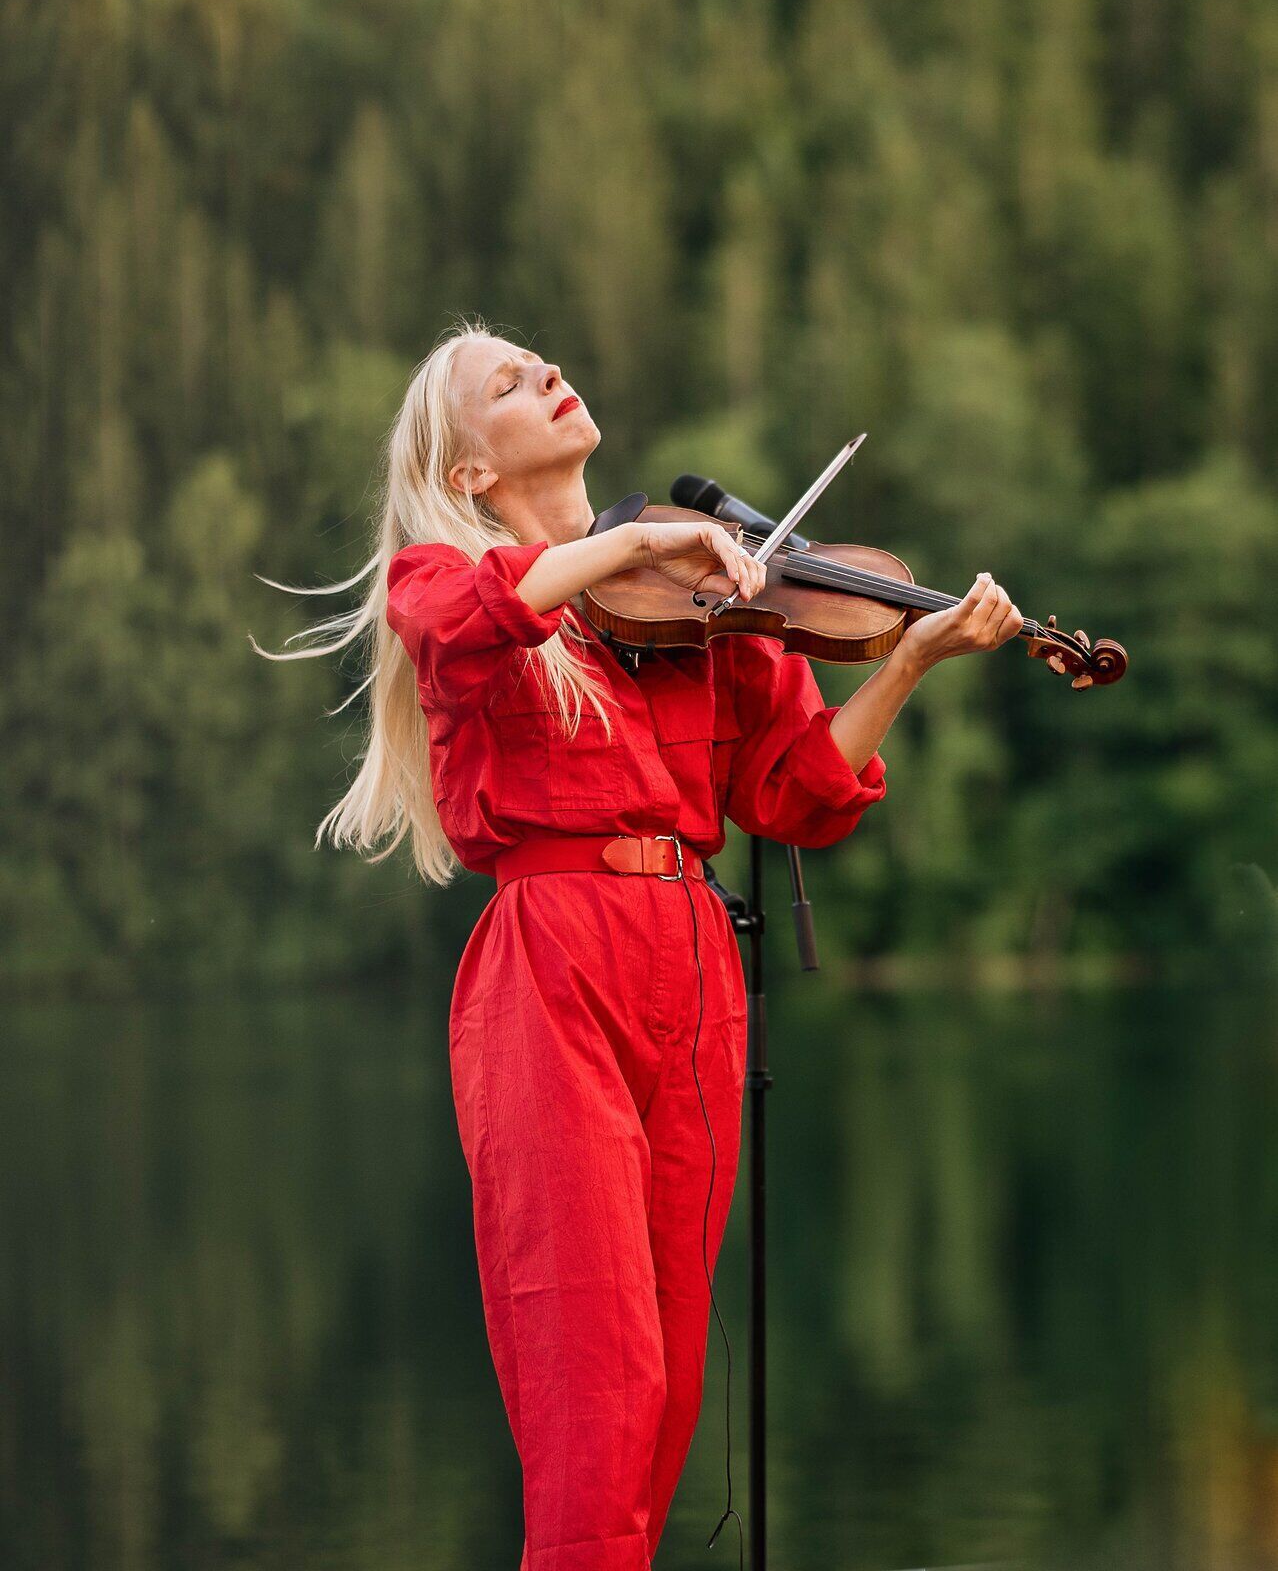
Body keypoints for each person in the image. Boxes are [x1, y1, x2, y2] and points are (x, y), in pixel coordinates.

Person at [252, 317, 1025, 1570]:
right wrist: (634, 540)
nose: (551, 373)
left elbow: (793, 791)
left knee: (663, 1387)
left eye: (542, 360)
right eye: (513, 381)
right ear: (469, 471)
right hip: (554, 969)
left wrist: (909, 664)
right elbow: (457, 629)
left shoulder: (698, 600)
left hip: (695, 963)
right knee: (593, 1388)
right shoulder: (451, 582)